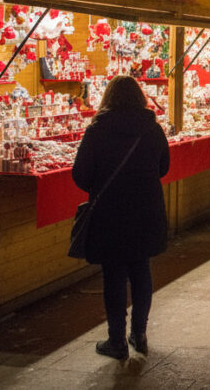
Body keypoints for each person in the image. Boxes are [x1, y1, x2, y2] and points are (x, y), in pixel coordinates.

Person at [72, 75, 170, 361]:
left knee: (113, 275)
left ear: (109, 97)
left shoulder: (98, 129)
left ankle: (116, 340)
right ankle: (139, 333)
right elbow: (163, 166)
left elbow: (80, 174)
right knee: (141, 270)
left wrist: (100, 184)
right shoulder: (152, 129)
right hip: (145, 210)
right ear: (139, 97)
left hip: (110, 212)